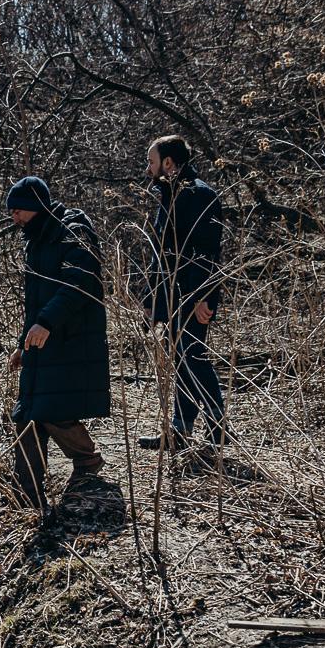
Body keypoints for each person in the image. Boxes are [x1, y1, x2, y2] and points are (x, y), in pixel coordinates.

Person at [4, 176, 110, 506]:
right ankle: (28, 499)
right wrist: (24, 343)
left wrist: (47, 323)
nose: (15, 218)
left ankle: (88, 462)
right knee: (26, 415)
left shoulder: (73, 230)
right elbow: (36, 303)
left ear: (36, 207)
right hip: (45, 343)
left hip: (71, 341)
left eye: (19, 211)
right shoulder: (35, 240)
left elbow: (82, 281)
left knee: (50, 409)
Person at [139, 134, 226, 452]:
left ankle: (218, 431)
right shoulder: (168, 194)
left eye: (151, 161)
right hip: (172, 296)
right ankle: (180, 431)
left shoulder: (200, 195)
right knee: (182, 361)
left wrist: (205, 298)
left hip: (193, 297)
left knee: (194, 359)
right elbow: (161, 255)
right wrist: (151, 302)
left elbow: (208, 253)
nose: (148, 168)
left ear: (169, 163)